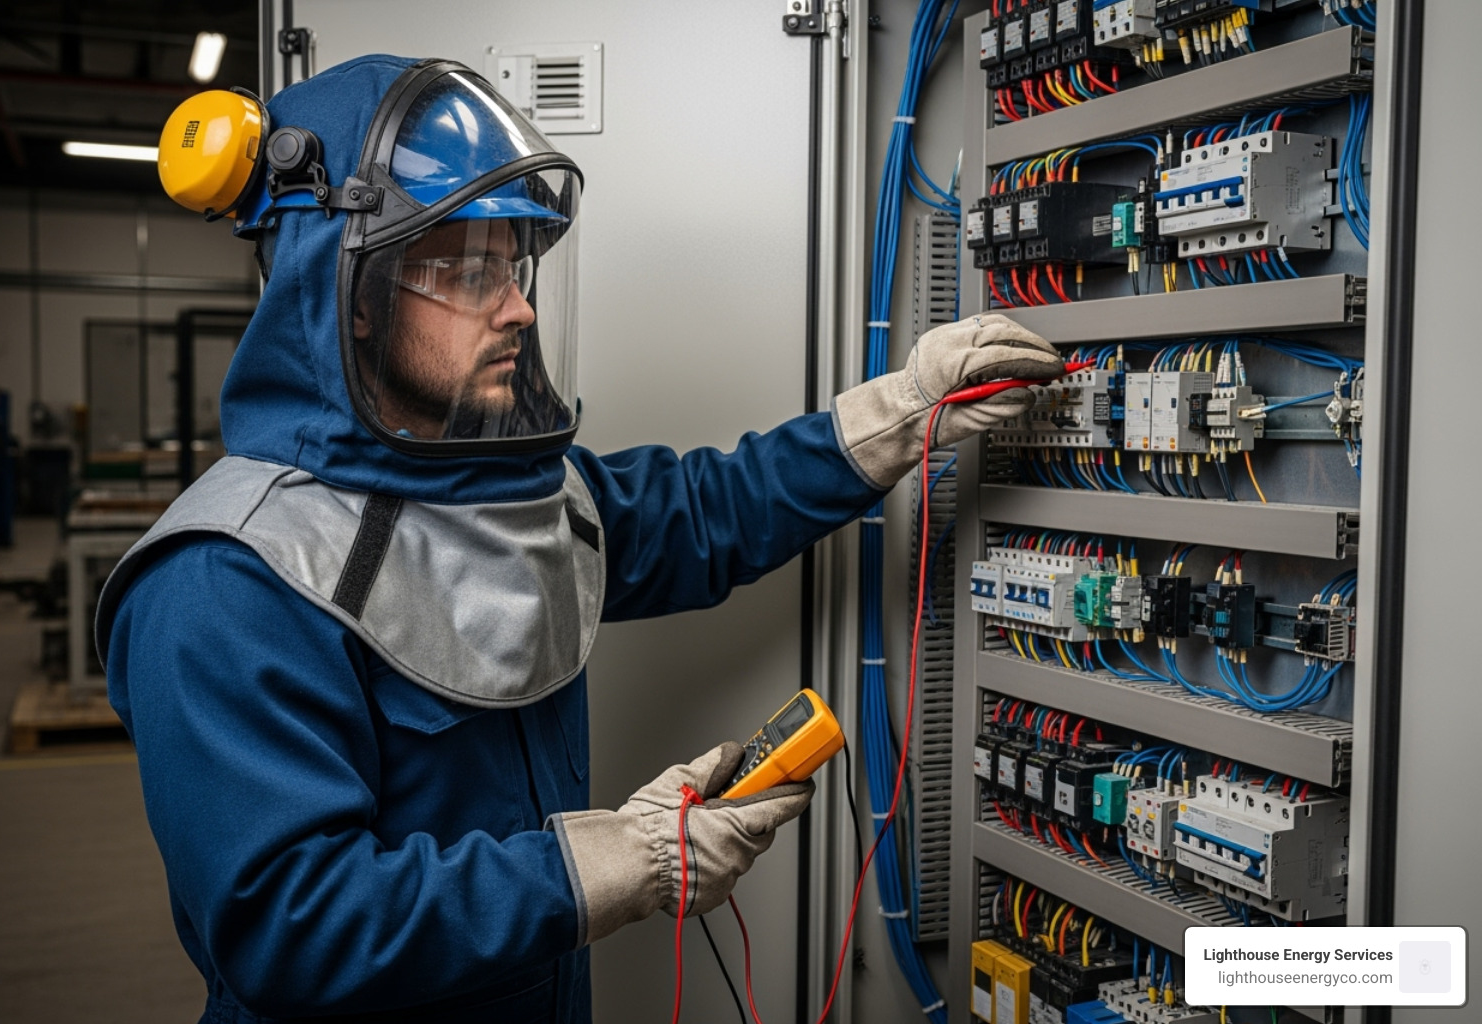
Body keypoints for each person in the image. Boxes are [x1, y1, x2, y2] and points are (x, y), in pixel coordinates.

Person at [96, 55, 1062, 1023]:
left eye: (514, 263)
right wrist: (613, 863)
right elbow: (290, 926)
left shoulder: (511, 489)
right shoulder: (227, 576)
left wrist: (892, 417)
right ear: (354, 291)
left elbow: (702, 511)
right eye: (468, 269)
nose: (516, 304)